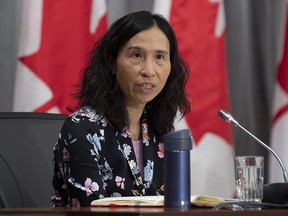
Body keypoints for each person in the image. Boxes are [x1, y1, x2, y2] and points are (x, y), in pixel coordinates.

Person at [51, 10, 190, 208]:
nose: (149, 71)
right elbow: (92, 208)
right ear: (112, 62)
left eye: (159, 56)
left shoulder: (162, 131)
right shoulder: (82, 128)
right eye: (136, 55)